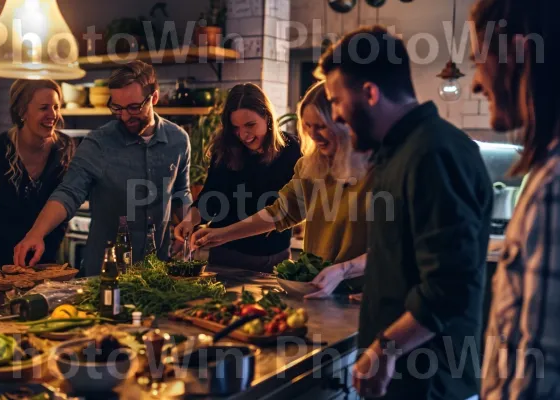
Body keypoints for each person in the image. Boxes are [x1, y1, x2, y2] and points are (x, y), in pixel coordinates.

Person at [316, 25, 493, 399]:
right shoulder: (399, 152)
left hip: (429, 381)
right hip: (403, 377)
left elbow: (451, 286)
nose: (336, 114)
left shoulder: (433, 154)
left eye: (335, 100)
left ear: (369, 92)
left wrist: (383, 351)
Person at [190, 81, 372, 296]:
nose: (314, 135)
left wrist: (342, 271)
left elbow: (395, 248)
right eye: (307, 126)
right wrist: (221, 235)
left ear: (344, 120)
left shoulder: (377, 170)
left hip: (360, 294)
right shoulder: (310, 166)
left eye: (321, 126)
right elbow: (279, 213)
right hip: (313, 288)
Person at [14, 60, 192, 276]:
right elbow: (69, 192)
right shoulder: (98, 143)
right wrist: (36, 233)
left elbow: (181, 192)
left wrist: (188, 225)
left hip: (158, 272)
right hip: (105, 273)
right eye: (117, 107)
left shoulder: (178, 140)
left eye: (134, 107)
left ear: (154, 97)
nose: (125, 116)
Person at [471, 1, 560, 398]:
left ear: (518, 54)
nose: (476, 82)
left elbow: (534, 379)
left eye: (479, 60)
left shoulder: (552, 189)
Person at [0, 79, 75, 297]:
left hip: (46, 263)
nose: (53, 114)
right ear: (22, 111)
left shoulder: (65, 148)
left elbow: (66, 201)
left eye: (56, 107)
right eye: (43, 108)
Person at [173, 83, 301, 272]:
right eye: (235, 128)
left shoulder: (291, 149)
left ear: (267, 117)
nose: (244, 135)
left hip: (277, 257)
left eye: (250, 125)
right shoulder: (225, 150)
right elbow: (211, 197)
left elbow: (287, 209)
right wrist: (190, 220)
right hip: (227, 257)